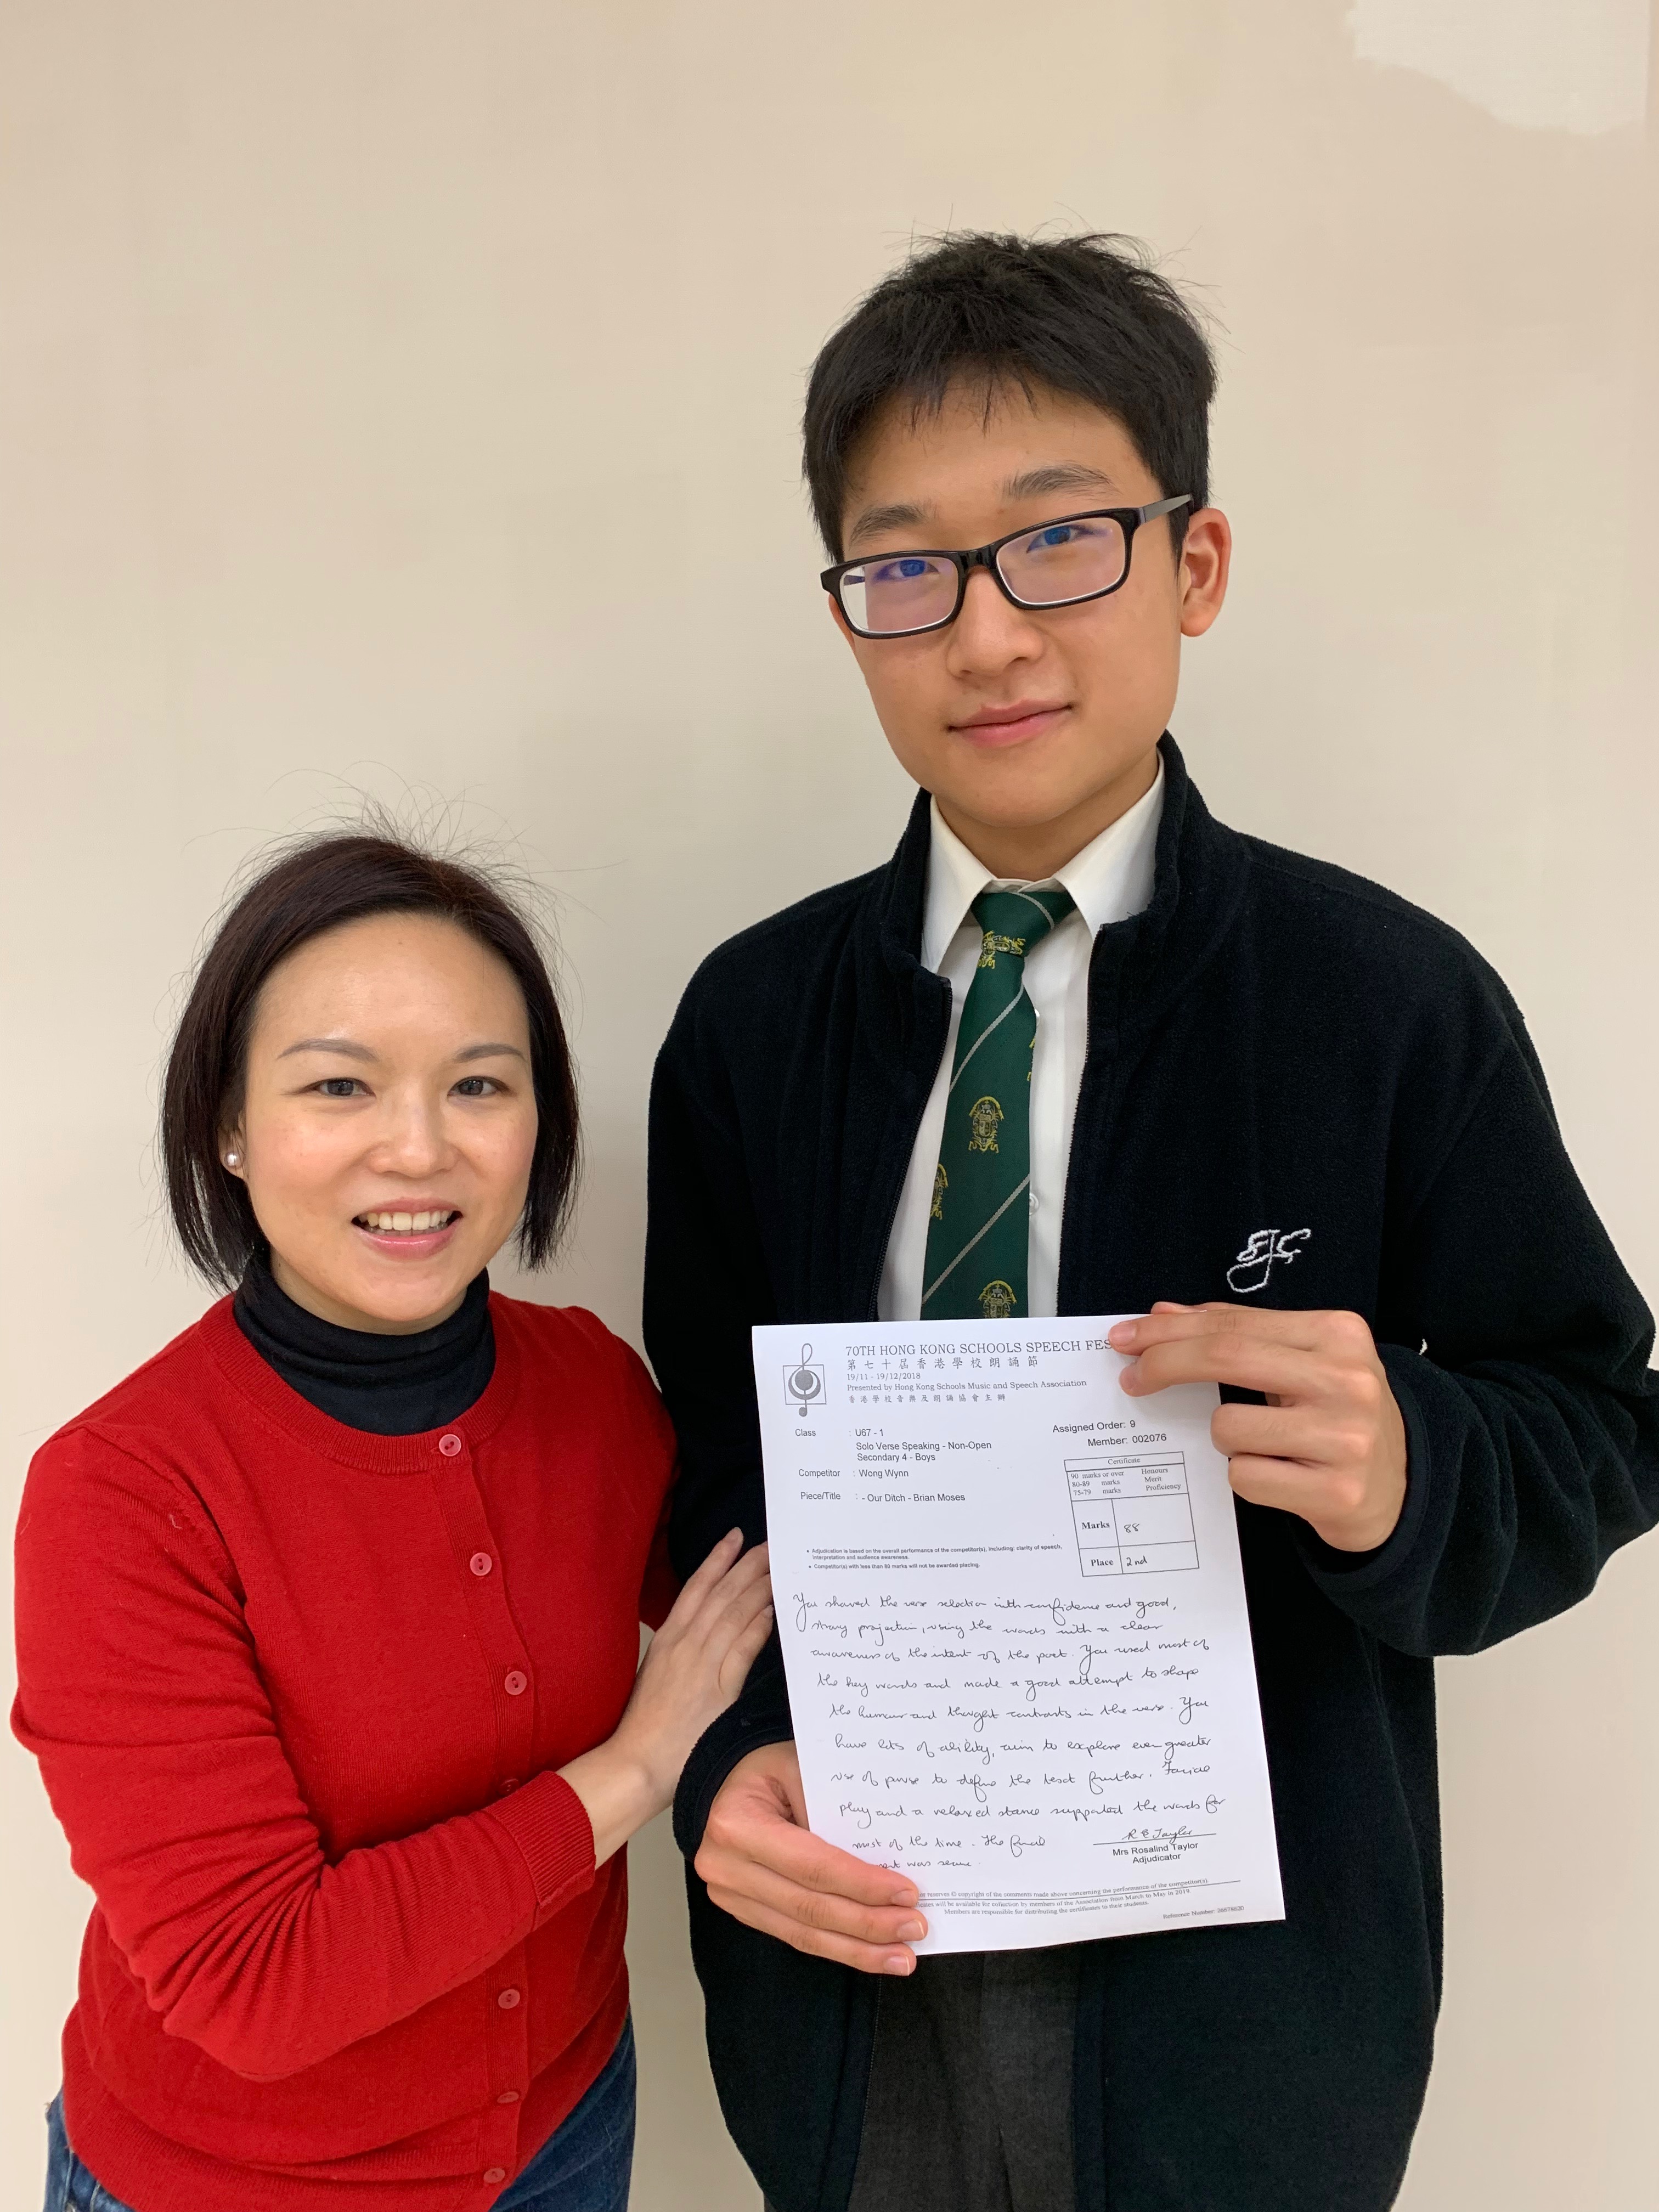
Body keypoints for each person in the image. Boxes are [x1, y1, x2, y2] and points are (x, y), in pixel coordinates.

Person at [643, 233, 1659, 2212]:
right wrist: (721, 1756)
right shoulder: (753, 1024)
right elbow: (704, 1472)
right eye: (905, 569)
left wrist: (1409, 1460)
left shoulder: (1384, 1000)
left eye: (1059, 543)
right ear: (849, 612)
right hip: (857, 1956)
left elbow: (1598, 1420)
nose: (986, 635)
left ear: (1194, 563)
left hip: (1239, 2015)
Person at [13, 832, 773, 2212]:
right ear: (229, 1125)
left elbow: (759, 1611)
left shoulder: (591, 1384)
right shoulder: (123, 1492)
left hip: (568, 2127)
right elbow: (255, 1984)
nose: (419, 1148)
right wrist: (639, 1765)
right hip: (241, 2184)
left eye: (479, 1083)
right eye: (338, 1085)